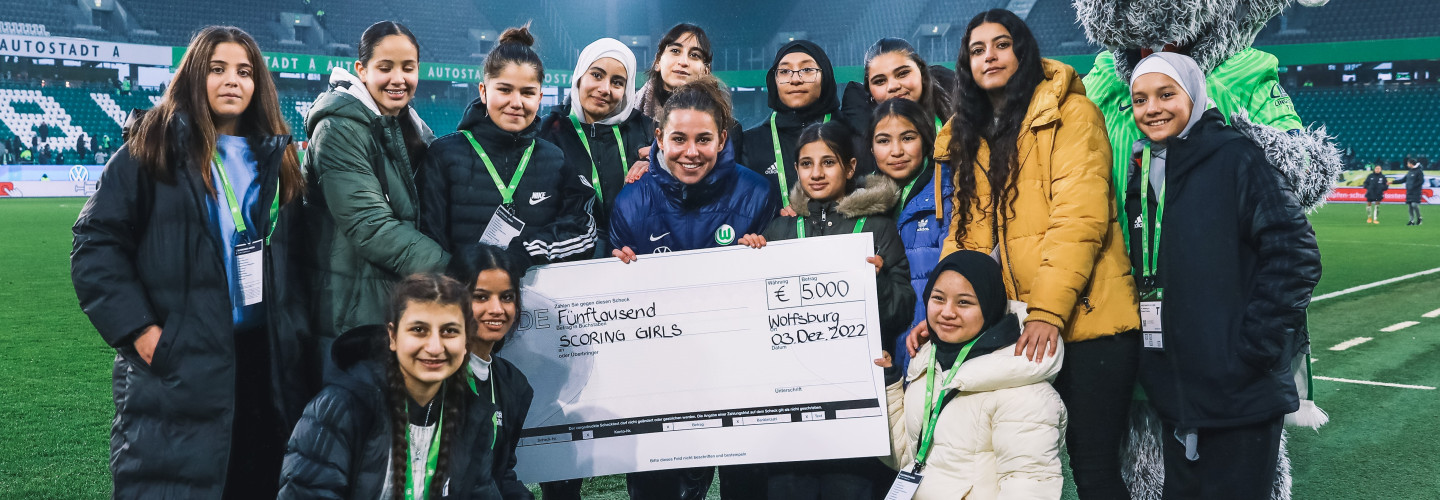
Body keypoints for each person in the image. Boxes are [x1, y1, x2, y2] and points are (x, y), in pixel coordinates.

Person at [71, 25, 315, 498]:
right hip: (182, 358)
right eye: (217, 69)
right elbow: (95, 245)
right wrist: (142, 334)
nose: (233, 81)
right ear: (192, 75)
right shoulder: (149, 150)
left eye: (244, 72)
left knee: (258, 480)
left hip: (264, 361)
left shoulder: (278, 159)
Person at [909, 10, 1140, 500]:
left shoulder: (1073, 114)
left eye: (1001, 45)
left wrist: (1047, 313)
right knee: (1016, 468)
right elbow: (966, 236)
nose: (988, 56)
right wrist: (943, 309)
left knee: (1094, 468)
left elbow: (1079, 222)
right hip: (1016, 328)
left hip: (1088, 323)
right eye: (977, 49)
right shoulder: (968, 132)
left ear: (1023, 51)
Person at [1123, 52, 1320, 499]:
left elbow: (1296, 253)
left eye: (1166, 94)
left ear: (1194, 94)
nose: (1152, 108)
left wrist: (1253, 348)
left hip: (1241, 394)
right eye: (1140, 99)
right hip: (1179, 393)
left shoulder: (1235, 155)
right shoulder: (1147, 167)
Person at [608, 75, 775, 500]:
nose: (691, 152)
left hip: (741, 371)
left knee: (747, 483)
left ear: (721, 139)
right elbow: (616, 298)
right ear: (659, 137)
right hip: (660, 376)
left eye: (703, 139)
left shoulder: (757, 193)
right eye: (679, 138)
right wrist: (612, 269)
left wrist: (766, 249)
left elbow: (779, 279)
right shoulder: (631, 200)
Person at [736, 120, 914, 499]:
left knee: (850, 488)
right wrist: (750, 259)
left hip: (855, 399)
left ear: (850, 168)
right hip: (791, 405)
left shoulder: (878, 229)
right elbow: (753, 319)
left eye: (828, 163)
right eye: (806, 164)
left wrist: (877, 282)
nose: (816, 173)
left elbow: (901, 311)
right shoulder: (780, 230)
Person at [279, 274, 503, 499]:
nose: (435, 347)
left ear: (466, 344)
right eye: (419, 330)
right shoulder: (342, 409)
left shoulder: (472, 417)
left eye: (449, 331)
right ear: (393, 336)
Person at [302, 21, 448, 368]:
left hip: (391, 310)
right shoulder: (338, 128)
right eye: (385, 67)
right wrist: (452, 267)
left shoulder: (407, 126)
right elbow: (370, 226)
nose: (398, 78)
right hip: (348, 317)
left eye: (408, 68)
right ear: (361, 70)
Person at [877, 250, 1066, 500]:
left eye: (964, 302)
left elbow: (1029, 488)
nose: (947, 312)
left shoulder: (1023, 393)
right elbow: (906, 456)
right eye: (938, 298)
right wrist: (887, 383)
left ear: (989, 305)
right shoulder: (931, 366)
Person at [419, 25, 597, 269]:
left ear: (540, 98)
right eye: (504, 90)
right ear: (483, 91)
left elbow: (583, 230)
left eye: (527, 93)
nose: (516, 102)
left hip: (538, 304)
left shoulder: (556, 159)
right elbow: (428, 236)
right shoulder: (443, 155)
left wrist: (527, 252)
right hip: (462, 300)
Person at [538, 38, 652, 257]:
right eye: (597, 75)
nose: (605, 89)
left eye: (617, 82)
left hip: (634, 254)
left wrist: (658, 163)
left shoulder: (645, 130)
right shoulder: (548, 131)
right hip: (569, 258)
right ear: (580, 75)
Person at [741, 40, 869, 214]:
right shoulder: (749, 142)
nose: (795, 79)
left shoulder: (851, 131)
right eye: (785, 71)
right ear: (774, 80)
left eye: (807, 70)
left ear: (826, 76)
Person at [869, 98, 949, 371]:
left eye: (908, 137)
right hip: (881, 359)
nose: (896, 151)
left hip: (934, 345)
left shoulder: (950, 193)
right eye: (883, 140)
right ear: (870, 147)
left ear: (926, 140)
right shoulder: (856, 205)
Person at [456, 244, 535, 499]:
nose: (497, 309)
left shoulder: (513, 384)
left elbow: (501, 472)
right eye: (481, 297)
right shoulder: (430, 375)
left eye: (507, 297)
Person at [626, 23, 744, 183]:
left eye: (694, 55)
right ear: (658, 62)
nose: (683, 61)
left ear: (705, 70)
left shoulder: (729, 129)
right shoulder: (628, 122)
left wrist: (659, 160)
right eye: (675, 51)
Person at [839, 38, 956, 137]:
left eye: (902, 73)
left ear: (922, 73)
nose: (893, 86)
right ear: (870, 92)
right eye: (880, 81)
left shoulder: (960, 110)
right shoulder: (858, 134)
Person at [1401, 158, 1425, 225]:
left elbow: (1421, 181)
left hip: (1416, 192)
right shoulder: (1410, 171)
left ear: (1411, 164)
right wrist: (1393, 182)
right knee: (1410, 206)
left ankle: (1419, 218)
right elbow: (1403, 180)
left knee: (1414, 204)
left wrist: (1413, 186)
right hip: (1409, 191)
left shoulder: (1419, 171)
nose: (1407, 164)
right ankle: (1411, 221)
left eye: (1408, 163)